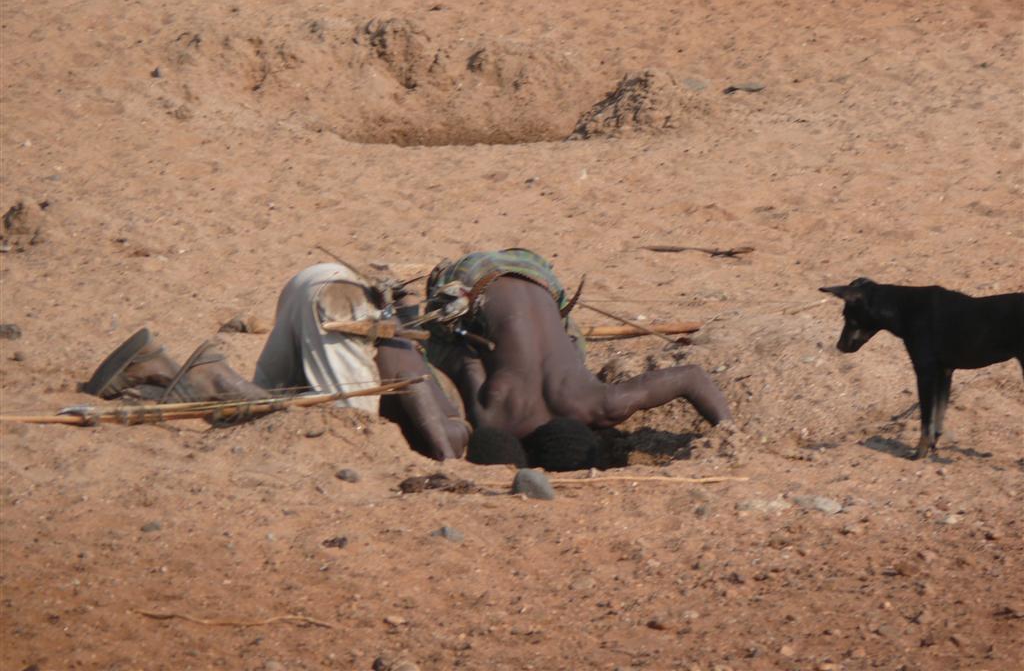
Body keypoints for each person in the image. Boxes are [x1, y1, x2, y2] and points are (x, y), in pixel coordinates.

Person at [82, 261, 470, 461]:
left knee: (265, 410)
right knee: (350, 430)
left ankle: (153, 370)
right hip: (340, 298)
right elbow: (418, 393)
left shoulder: (398, 372)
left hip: (316, 285)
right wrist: (451, 457)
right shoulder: (449, 406)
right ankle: (215, 377)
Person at [422, 248, 732, 471]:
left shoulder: (601, 405)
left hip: (538, 275)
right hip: (466, 286)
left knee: (569, 349)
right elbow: (466, 362)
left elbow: (692, 376)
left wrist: (728, 429)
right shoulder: (493, 418)